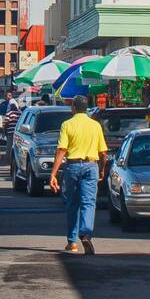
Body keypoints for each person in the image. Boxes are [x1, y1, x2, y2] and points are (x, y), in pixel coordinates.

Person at [48, 95, 108, 255]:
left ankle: (72, 242)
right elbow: (103, 153)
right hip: (91, 165)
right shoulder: (95, 125)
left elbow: (61, 150)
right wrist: (102, 169)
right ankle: (86, 233)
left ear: (73, 107)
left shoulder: (67, 125)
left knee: (72, 204)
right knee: (88, 203)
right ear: (86, 108)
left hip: (73, 166)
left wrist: (53, 174)